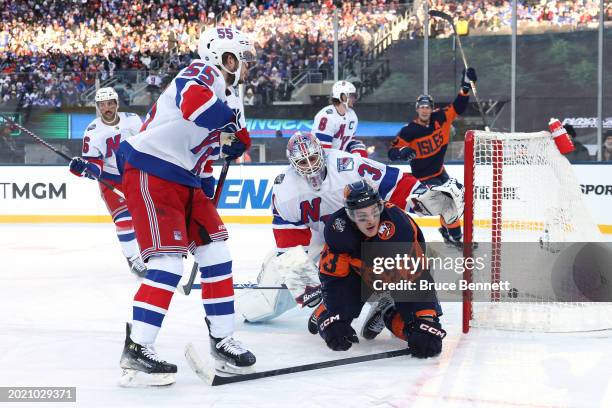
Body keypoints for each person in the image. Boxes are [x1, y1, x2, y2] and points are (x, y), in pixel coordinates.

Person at [116, 27, 257, 387]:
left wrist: (232, 146)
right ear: (227, 58)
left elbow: (224, 143)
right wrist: (231, 128)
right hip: (152, 167)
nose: (249, 65)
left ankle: (222, 339)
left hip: (187, 180)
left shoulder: (232, 96)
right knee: (167, 263)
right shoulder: (200, 72)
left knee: (217, 255)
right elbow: (197, 108)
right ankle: (138, 347)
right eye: (243, 58)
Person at [238, 132, 463, 329]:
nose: (310, 166)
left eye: (313, 158)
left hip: (360, 227)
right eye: (302, 162)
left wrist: (426, 197)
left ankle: (387, 301)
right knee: (268, 301)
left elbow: (392, 184)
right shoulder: (285, 188)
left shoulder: (348, 165)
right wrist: (305, 283)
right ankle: (255, 307)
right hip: (320, 237)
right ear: (292, 164)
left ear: (322, 153)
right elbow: (288, 240)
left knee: (396, 250)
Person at [316, 180, 445, 358]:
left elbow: (415, 277)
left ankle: (388, 312)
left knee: (422, 333)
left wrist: (425, 319)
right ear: (350, 215)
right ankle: (322, 310)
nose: (370, 220)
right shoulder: (338, 230)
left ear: (381, 206)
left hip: (398, 273)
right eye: (361, 216)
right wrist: (333, 317)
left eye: (374, 212)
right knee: (334, 325)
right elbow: (335, 279)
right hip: (359, 276)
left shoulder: (398, 228)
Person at [388, 68, 477, 248]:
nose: (424, 110)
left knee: (457, 199)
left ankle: (447, 231)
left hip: (439, 171)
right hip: (422, 177)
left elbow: (458, 106)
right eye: (421, 107)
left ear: (432, 108)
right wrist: (402, 152)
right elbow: (392, 151)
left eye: (427, 106)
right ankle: (456, 238)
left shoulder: (441, 117)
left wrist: (466, 85)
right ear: (417, 109)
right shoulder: (409, 131)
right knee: (449, 203)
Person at [68, 87, 146, 277]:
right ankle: (133, 259)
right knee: (124, 220)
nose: (107, 108)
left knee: (148, 216)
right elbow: (95, 166)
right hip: (111, 180)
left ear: (116, 104)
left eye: (110, 103)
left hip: (136, 175)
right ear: (98, 107)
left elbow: (147, 144)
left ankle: (152, 251)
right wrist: (83, 169)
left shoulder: (133, 120)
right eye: (102, 105)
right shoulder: (92, 131)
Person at [311, 80, 366, 157]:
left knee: (360, 148)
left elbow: (349, 141)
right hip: (320, 161)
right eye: (352, 95)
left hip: (336, 160)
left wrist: (357, 150)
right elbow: (323, 150)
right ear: (343, 97)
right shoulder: (326, 116)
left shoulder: (352, 115)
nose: (355, 99)